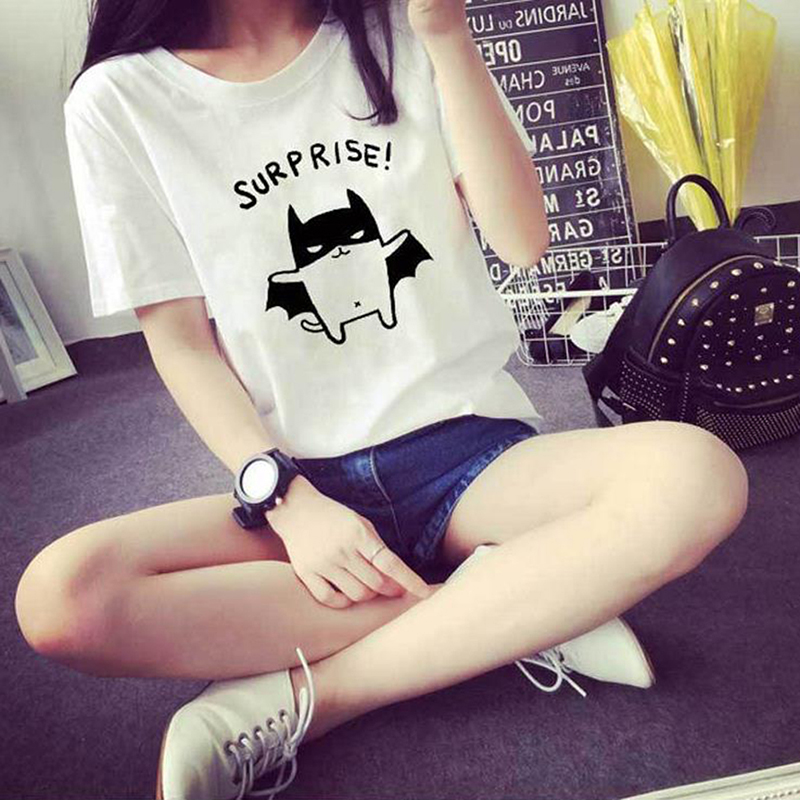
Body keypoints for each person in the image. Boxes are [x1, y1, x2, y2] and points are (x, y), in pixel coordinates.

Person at [14, 0, 749, 797]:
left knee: (696, 477)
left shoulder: (404, 35)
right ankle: (515, 606)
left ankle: (318, 700)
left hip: (475, 457)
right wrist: (289, 502)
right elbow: (183, 345)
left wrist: (445, 35)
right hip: (301, 486)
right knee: (64, 599)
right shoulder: (117, 102)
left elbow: (523, 241)